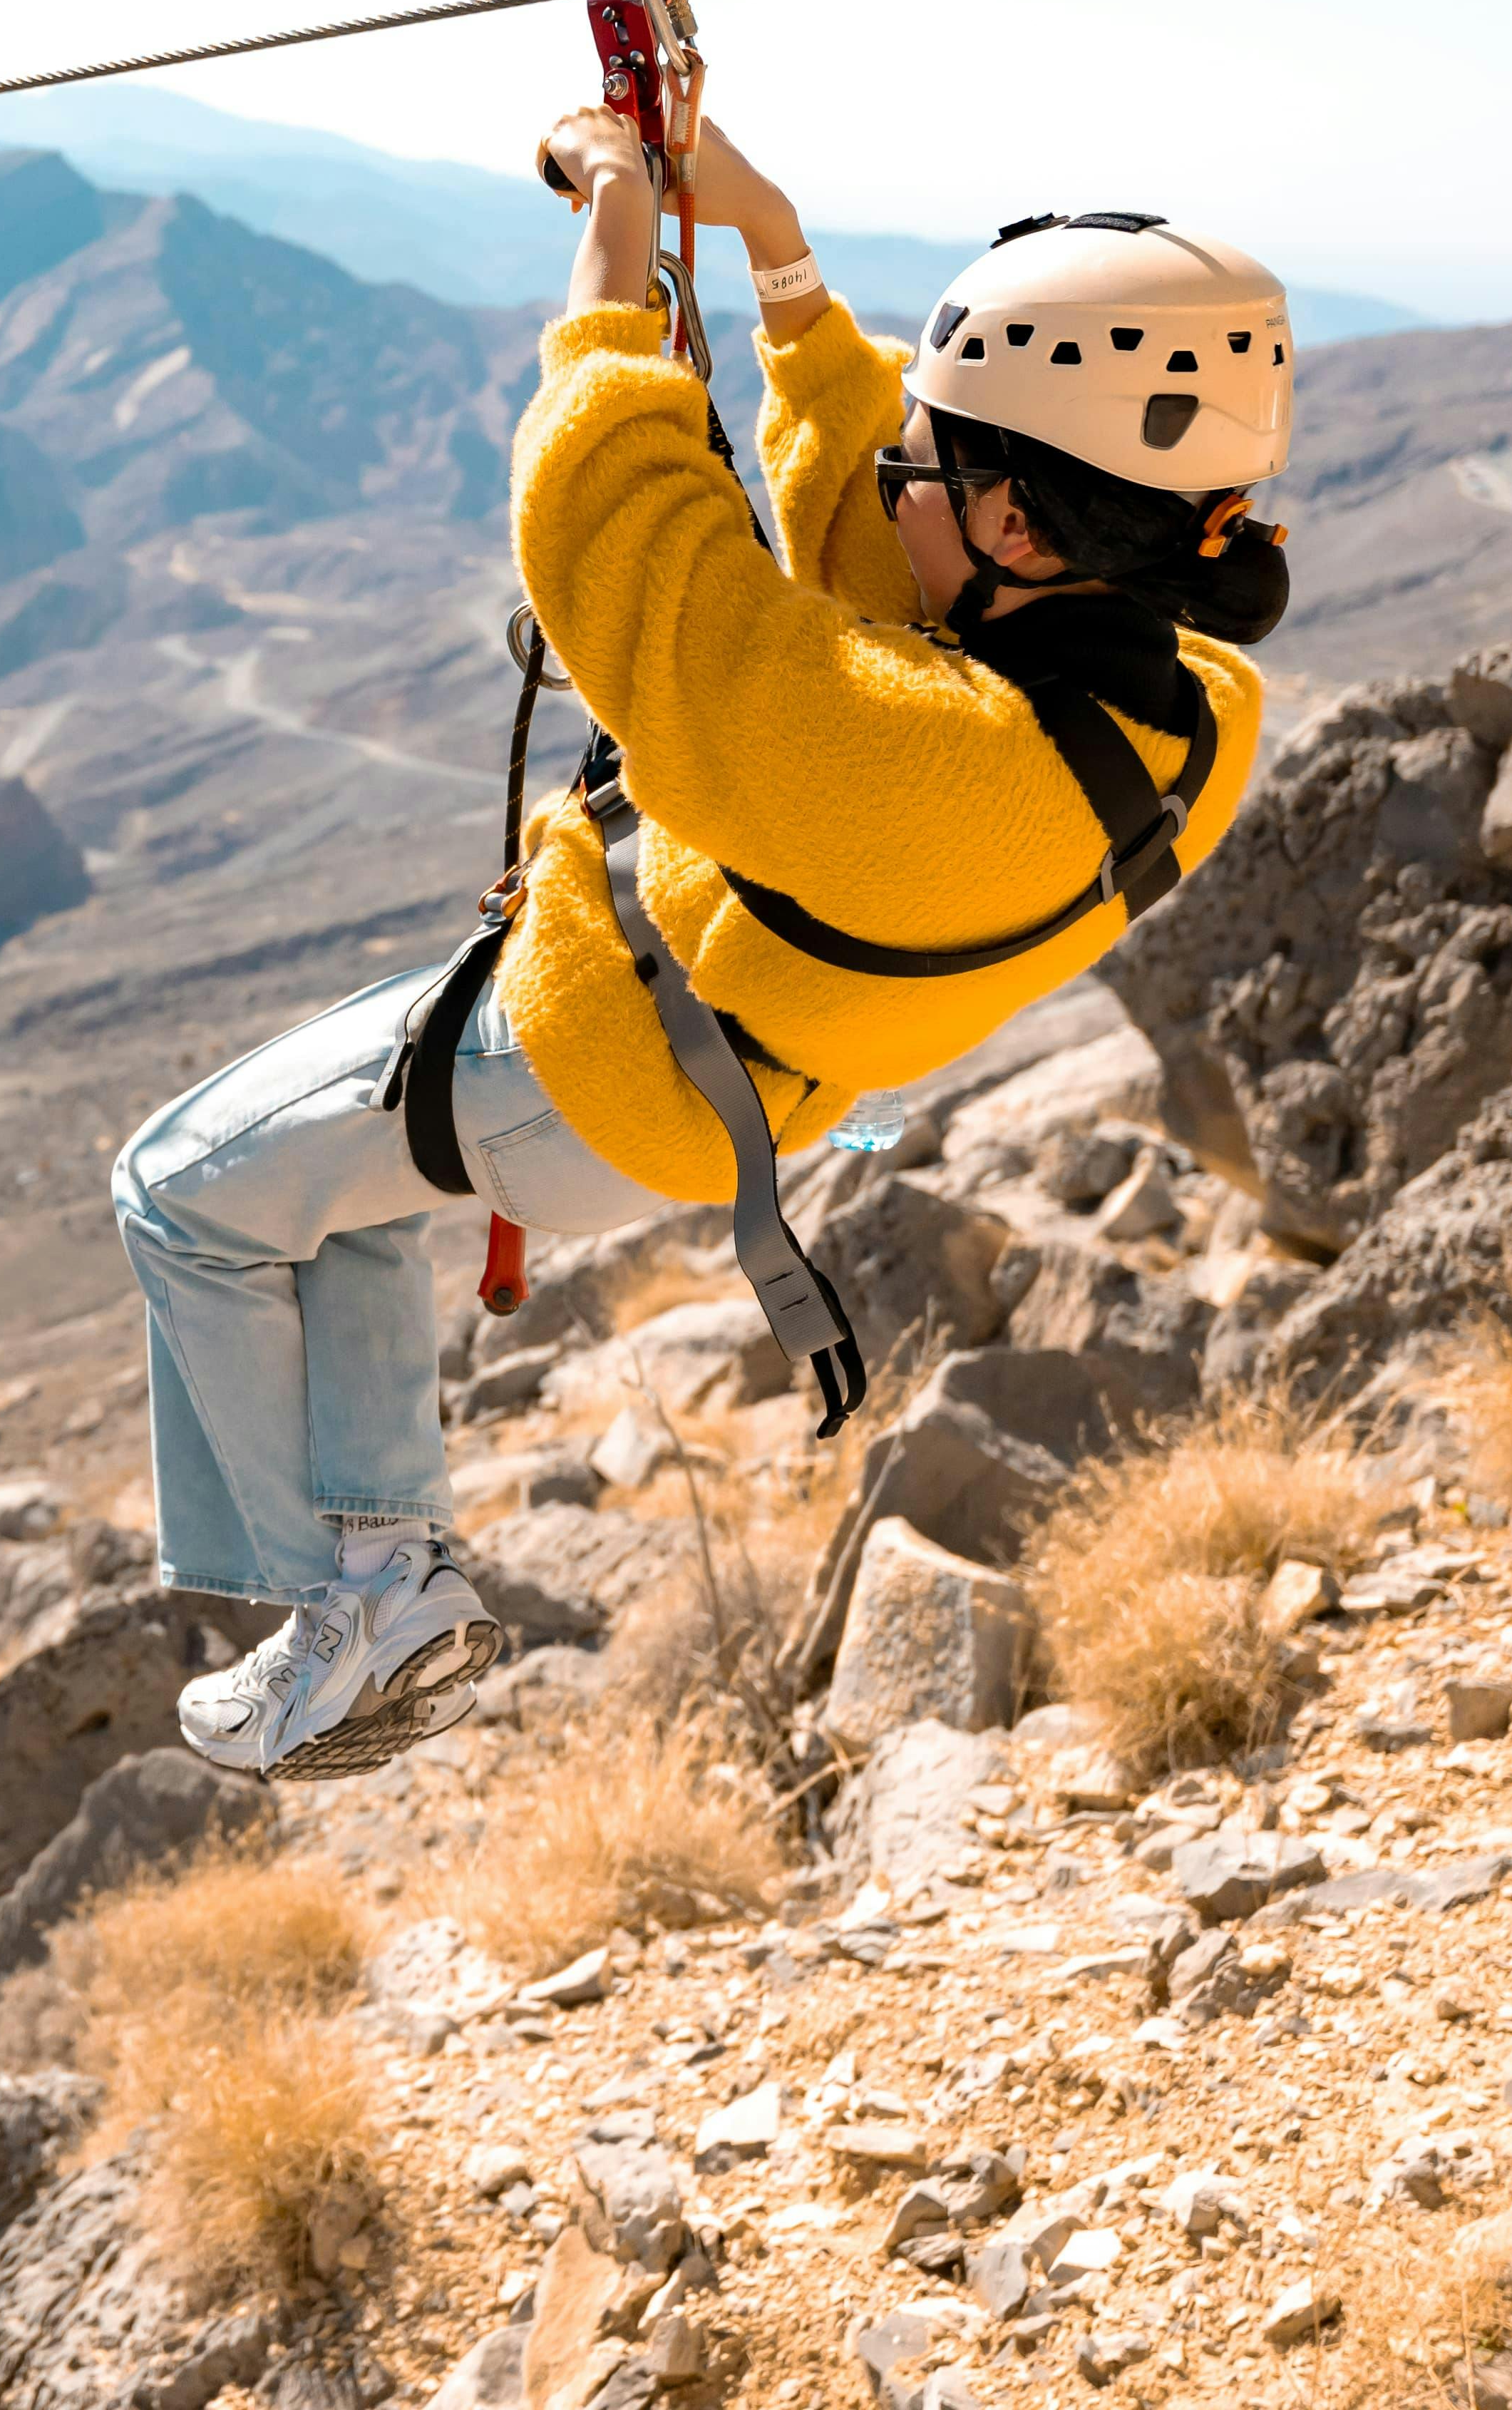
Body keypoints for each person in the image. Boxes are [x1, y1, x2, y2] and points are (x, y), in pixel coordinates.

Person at [110, 98, 1299, 1780]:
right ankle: (394, 1563)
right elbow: (883, 575)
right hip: (699, 1086)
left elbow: (628, 541)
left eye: (927, 462)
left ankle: (345, 1610)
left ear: (1025, 528)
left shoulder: (896, 760)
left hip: (580, 1059)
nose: (894, 472)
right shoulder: (1185, 716)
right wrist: (775, 247)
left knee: (178, 1189)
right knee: (342, 1207)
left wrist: (615, 226)